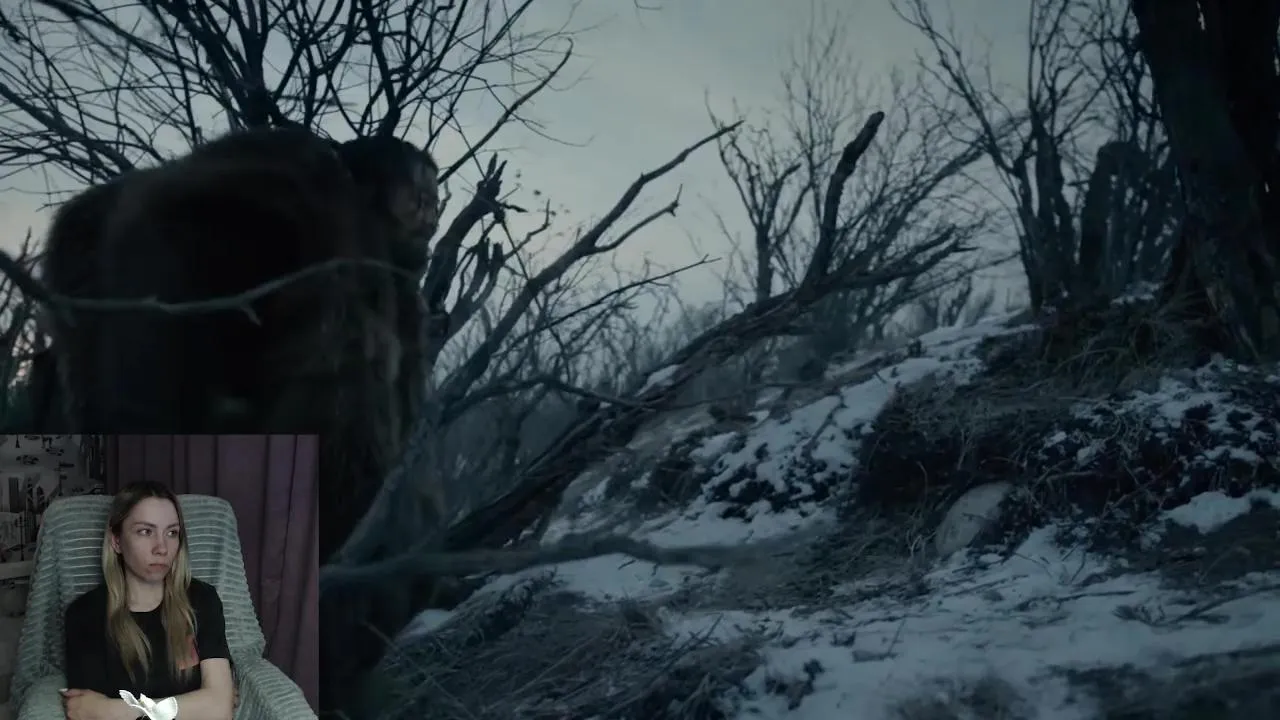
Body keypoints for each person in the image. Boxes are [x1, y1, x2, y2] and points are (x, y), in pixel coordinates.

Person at [61, 481, 236, 720]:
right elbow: (87, 713)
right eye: (145, 531)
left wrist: (115, 709)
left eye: (172, 533)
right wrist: (198, 705)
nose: (161, 548)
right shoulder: (85, 614)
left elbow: (220, 709)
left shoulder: (202, 599)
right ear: (116, 541)